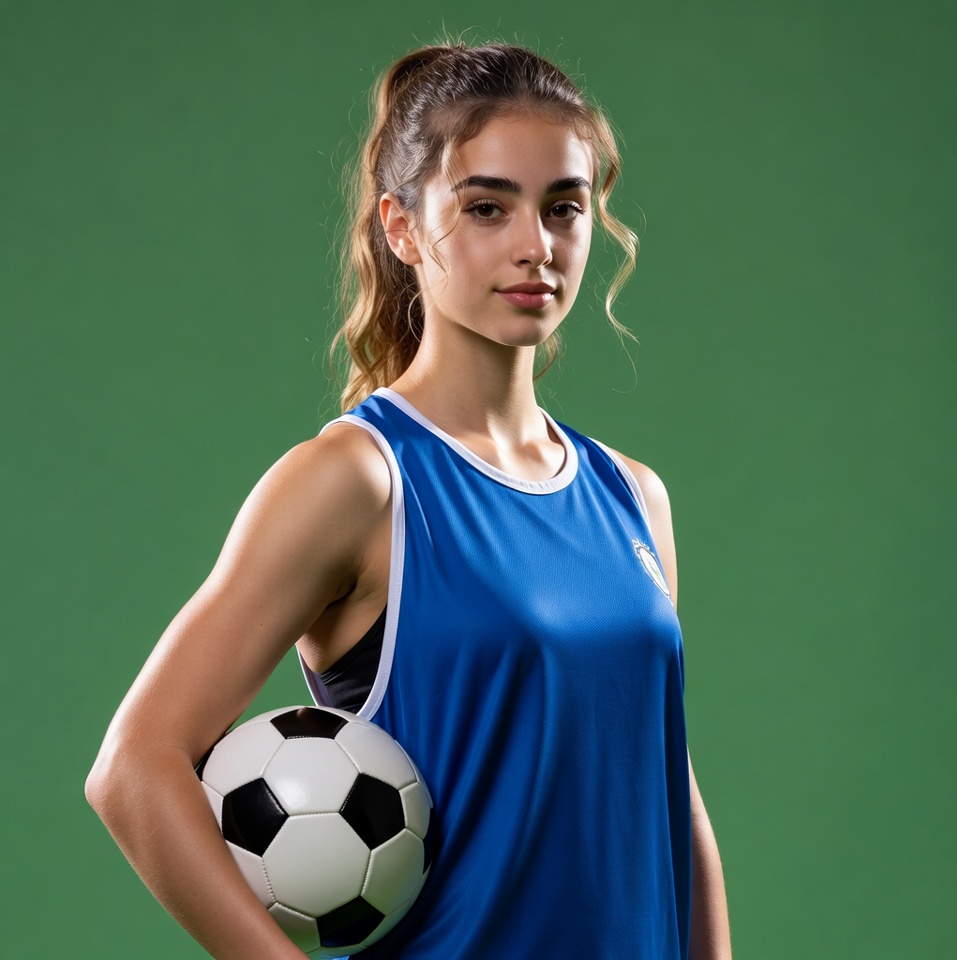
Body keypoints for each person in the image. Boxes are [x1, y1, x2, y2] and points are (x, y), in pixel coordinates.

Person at [86, 41, 732, 960]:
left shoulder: (632, 495)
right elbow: (135, 770)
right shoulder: (358, 481)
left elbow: (673, 798)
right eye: (486, 207)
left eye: (564, 208)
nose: (534, 247)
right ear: (400, 226)